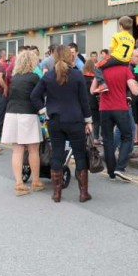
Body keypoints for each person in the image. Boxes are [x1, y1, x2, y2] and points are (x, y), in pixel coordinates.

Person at [31, 45, 93, 203]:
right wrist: (88, 120)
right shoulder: (77, 75)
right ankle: (83, 193)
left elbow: (34, 96)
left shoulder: (48, 76)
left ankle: (57, 194)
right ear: (69, 56)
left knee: (57, 154)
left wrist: (44, 110)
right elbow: (84, 101)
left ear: (54, 57)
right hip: (75, 120)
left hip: (55, 121)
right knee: (80, 155)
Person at [91, 50, 138, 182]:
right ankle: (120, 167)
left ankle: (111, 171)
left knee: (107, 139)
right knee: (127, 136)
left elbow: (91, 90)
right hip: (120, 108)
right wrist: (136, 84)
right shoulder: (125, 69)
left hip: (104, 109)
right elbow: (134, 90)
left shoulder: (102, 70)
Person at [2, 50, 43, 196]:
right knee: (33, 149)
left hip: (12, 113)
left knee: (17, 150)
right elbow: (38, 96)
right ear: (32, 62)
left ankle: (19, 183)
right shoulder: (34, 77)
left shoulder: (15, 78)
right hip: (28, 114)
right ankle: (36, 181)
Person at [94, 16, 135, 93]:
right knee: (127, 76)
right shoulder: (132, 38)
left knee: (97, 66)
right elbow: (131, 51)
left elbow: (111, 49)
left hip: (116, 58)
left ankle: (103, 84)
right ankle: (127, 94)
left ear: (120, 26)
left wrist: (108, 58)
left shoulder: (116, 36)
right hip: (126, 62)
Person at [83, 60, 101, 142]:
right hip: (94, 101)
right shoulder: (95, 78)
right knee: (96, 120)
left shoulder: (81, 77)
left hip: (84, 101)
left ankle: (85, 137)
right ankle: (96, 138)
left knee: (85, 121)